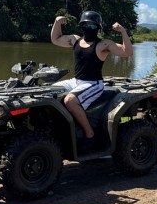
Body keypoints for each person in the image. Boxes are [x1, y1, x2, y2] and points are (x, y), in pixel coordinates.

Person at [50, 11, 132, 148]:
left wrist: (123, 31)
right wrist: (57, 22)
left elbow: (127, 52)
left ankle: (90, 134)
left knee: (70, 101)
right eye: (86, 25)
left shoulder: (103, 44)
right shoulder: (75, 40)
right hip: (76, 81)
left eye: (93, 26)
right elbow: (56, 39)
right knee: (49, 91)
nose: (89, 28)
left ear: (98, 28)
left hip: (93, 83)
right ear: (81, 26)